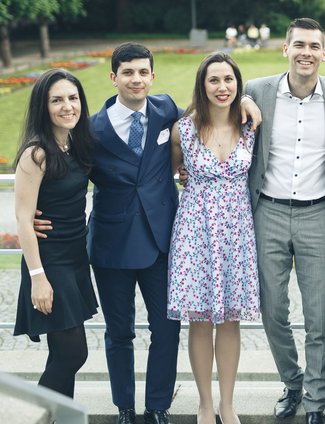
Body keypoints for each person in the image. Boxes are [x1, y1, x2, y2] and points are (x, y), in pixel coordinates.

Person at [33, 43, 261, 424]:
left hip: (163, 240)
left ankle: (157, 406)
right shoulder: (91, 128)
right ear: (114, 77)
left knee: (167, 330)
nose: (136, 79)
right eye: (128, 72)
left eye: (143, 72)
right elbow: (64, 171)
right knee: (119, 333)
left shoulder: (167, 110)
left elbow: (212, 106)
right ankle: (124, 407)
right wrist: (35, 214)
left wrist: (246, 99)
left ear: (152, 77)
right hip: (112, 244)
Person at [242, 18, 325, 424]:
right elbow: (207, 107)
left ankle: (316, 401)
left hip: (320, 214)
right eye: (299, 44)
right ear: (285, 49)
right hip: (268, 211)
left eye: (314, 46)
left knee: (319, 318)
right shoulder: (255, 91)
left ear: (324, 53)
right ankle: (292, 381)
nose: (306, 53)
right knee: (271, 310)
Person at [168, 52, 259, 424]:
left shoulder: (250, 125)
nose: (222, 87)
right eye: (214, 80)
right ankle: (205, 403)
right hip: (196, 232)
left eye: (229, 79)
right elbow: (170, 172)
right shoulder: (183, 130)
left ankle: (227, 403)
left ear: (238, 83)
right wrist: (181, 177)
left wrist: (248, 101)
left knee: (231, 320)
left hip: (237, 233)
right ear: (202, 85)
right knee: (200, 321)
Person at [13, 68, 98, 398]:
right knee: (74, 354)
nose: (68, 106)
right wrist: (38, 278)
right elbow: (23, 219)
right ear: (43, 106)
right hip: (50, 263)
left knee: (61, 354)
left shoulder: (75, 144)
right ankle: (33, 416)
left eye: (73, 98)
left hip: (75, 257)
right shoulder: (36, 154)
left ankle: (59, 417)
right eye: (57, 100)